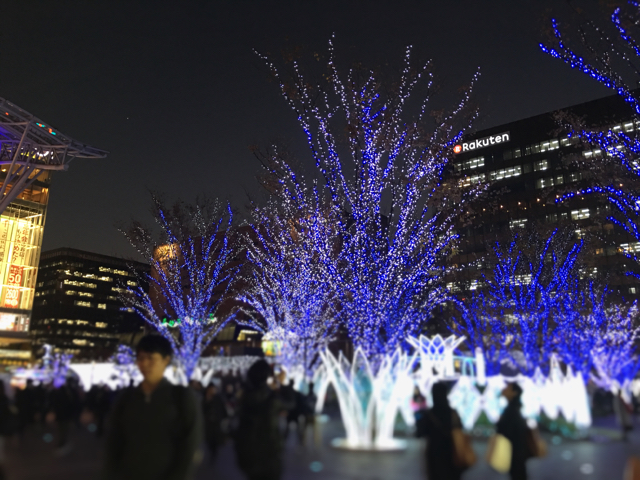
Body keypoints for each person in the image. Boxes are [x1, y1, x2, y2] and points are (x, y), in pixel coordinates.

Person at [103, 335, 203, 480]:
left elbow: (190, 444)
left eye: (151, 358)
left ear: (166, 360)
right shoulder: (126, 398)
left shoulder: (181, 397)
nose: (144, 363)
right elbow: (114, 442)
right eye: (140, 358)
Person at [235, 360, 290, 480]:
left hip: (249, 458)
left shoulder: (245, 398)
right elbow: (290, 404)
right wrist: (281, 385)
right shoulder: (271, 400)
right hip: (269, 457)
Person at [416, 382, 464, 480]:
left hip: (434, 453)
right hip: (452, 451)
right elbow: (460, 429)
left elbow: (419, 433)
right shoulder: (453, 413)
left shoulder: (429, 414)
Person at [496, 382, 530, 480]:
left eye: (508, 388)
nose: (504, 389)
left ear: (514, 393)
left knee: (517, 474)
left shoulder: (512, 410)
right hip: (516, 451)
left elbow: (506, 431)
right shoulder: (515, 408)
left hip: (514, 452)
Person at [202, 383, 227, 462]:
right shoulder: (205, 398)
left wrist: (224, 417)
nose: (212, 390)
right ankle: (212, 451)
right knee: (209, 440)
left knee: (215, 439)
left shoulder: (218, 398)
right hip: (208, 423)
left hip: (216, 422)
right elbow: (203, 409)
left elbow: (222, 408)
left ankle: (214, 454)